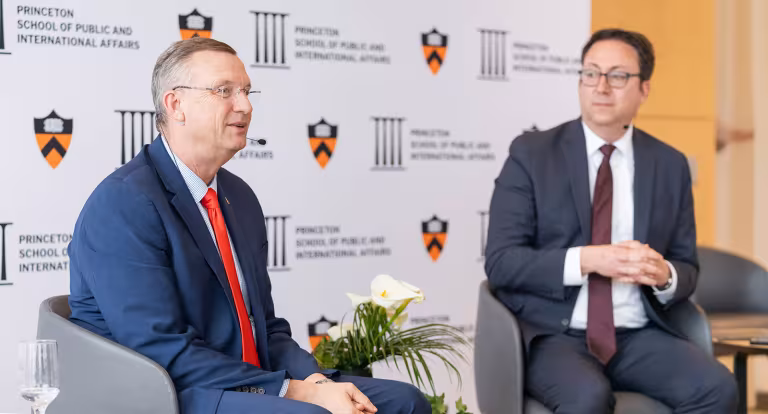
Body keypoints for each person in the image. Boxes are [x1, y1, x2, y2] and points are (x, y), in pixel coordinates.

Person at [68, 37, 430, 414]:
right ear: (175, 105)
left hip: (250, 382)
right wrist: (296, 392)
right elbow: (160, 348)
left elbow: (266, 328)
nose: (245, 106)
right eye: (224, 91)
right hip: (174, 392)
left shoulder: (238, 197)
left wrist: (317, 382)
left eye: (245, 91)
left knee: (405, 402)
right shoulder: (124, 202)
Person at [484, 28, 738, 413]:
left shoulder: (669, 165)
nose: (601, 87)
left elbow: (687, 266)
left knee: (718, 389)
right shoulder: (532, 155)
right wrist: (589, 259)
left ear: (644, 89)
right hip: (555, 335)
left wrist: (664, 275)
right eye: (591, 73)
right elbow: (502, 262)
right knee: (588, 398)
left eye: (617, 76)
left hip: (637, 334)